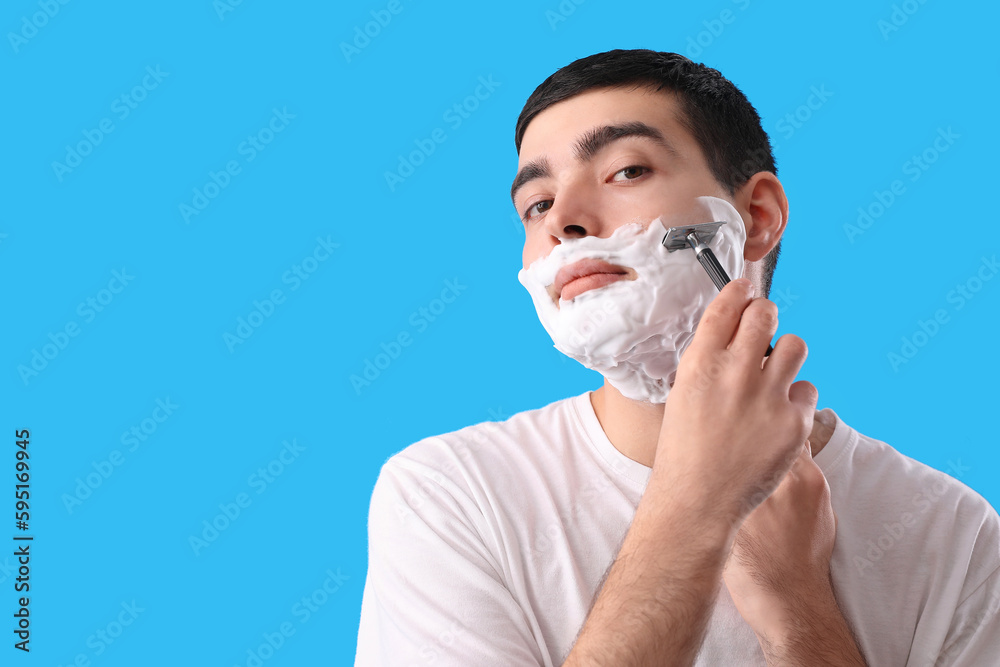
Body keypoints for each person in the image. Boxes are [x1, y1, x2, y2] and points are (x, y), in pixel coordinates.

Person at [354, 49, 1000, 666]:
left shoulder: (953, 532)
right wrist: (700, 502)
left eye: (626, 171)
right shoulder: (450, 496)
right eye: (537, 203)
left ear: (757, 216)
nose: (565, 220)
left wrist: (796, 608)